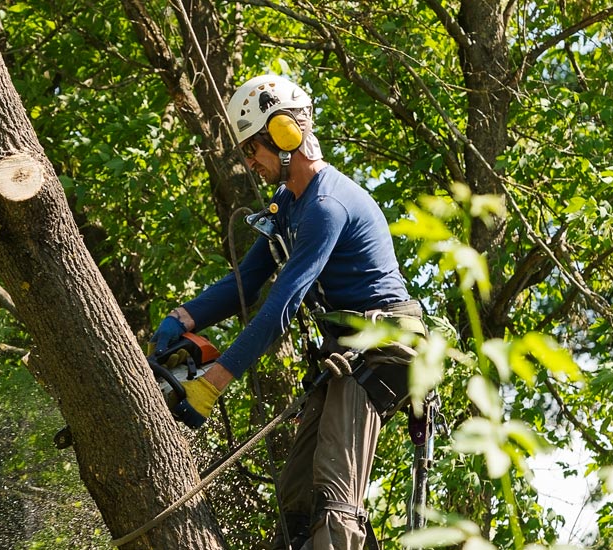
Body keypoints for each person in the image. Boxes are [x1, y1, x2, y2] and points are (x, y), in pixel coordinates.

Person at [151, 74, 428, 550]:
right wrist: (184, 319)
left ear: (283, 136)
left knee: (335, 499)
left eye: (251, 149)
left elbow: (281, 306)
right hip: (345, 350)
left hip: (383, 348)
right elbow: (246, 281)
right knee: (295, 501)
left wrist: (212, 384)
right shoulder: (289, 204)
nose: (249, 163)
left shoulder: (327, 204)